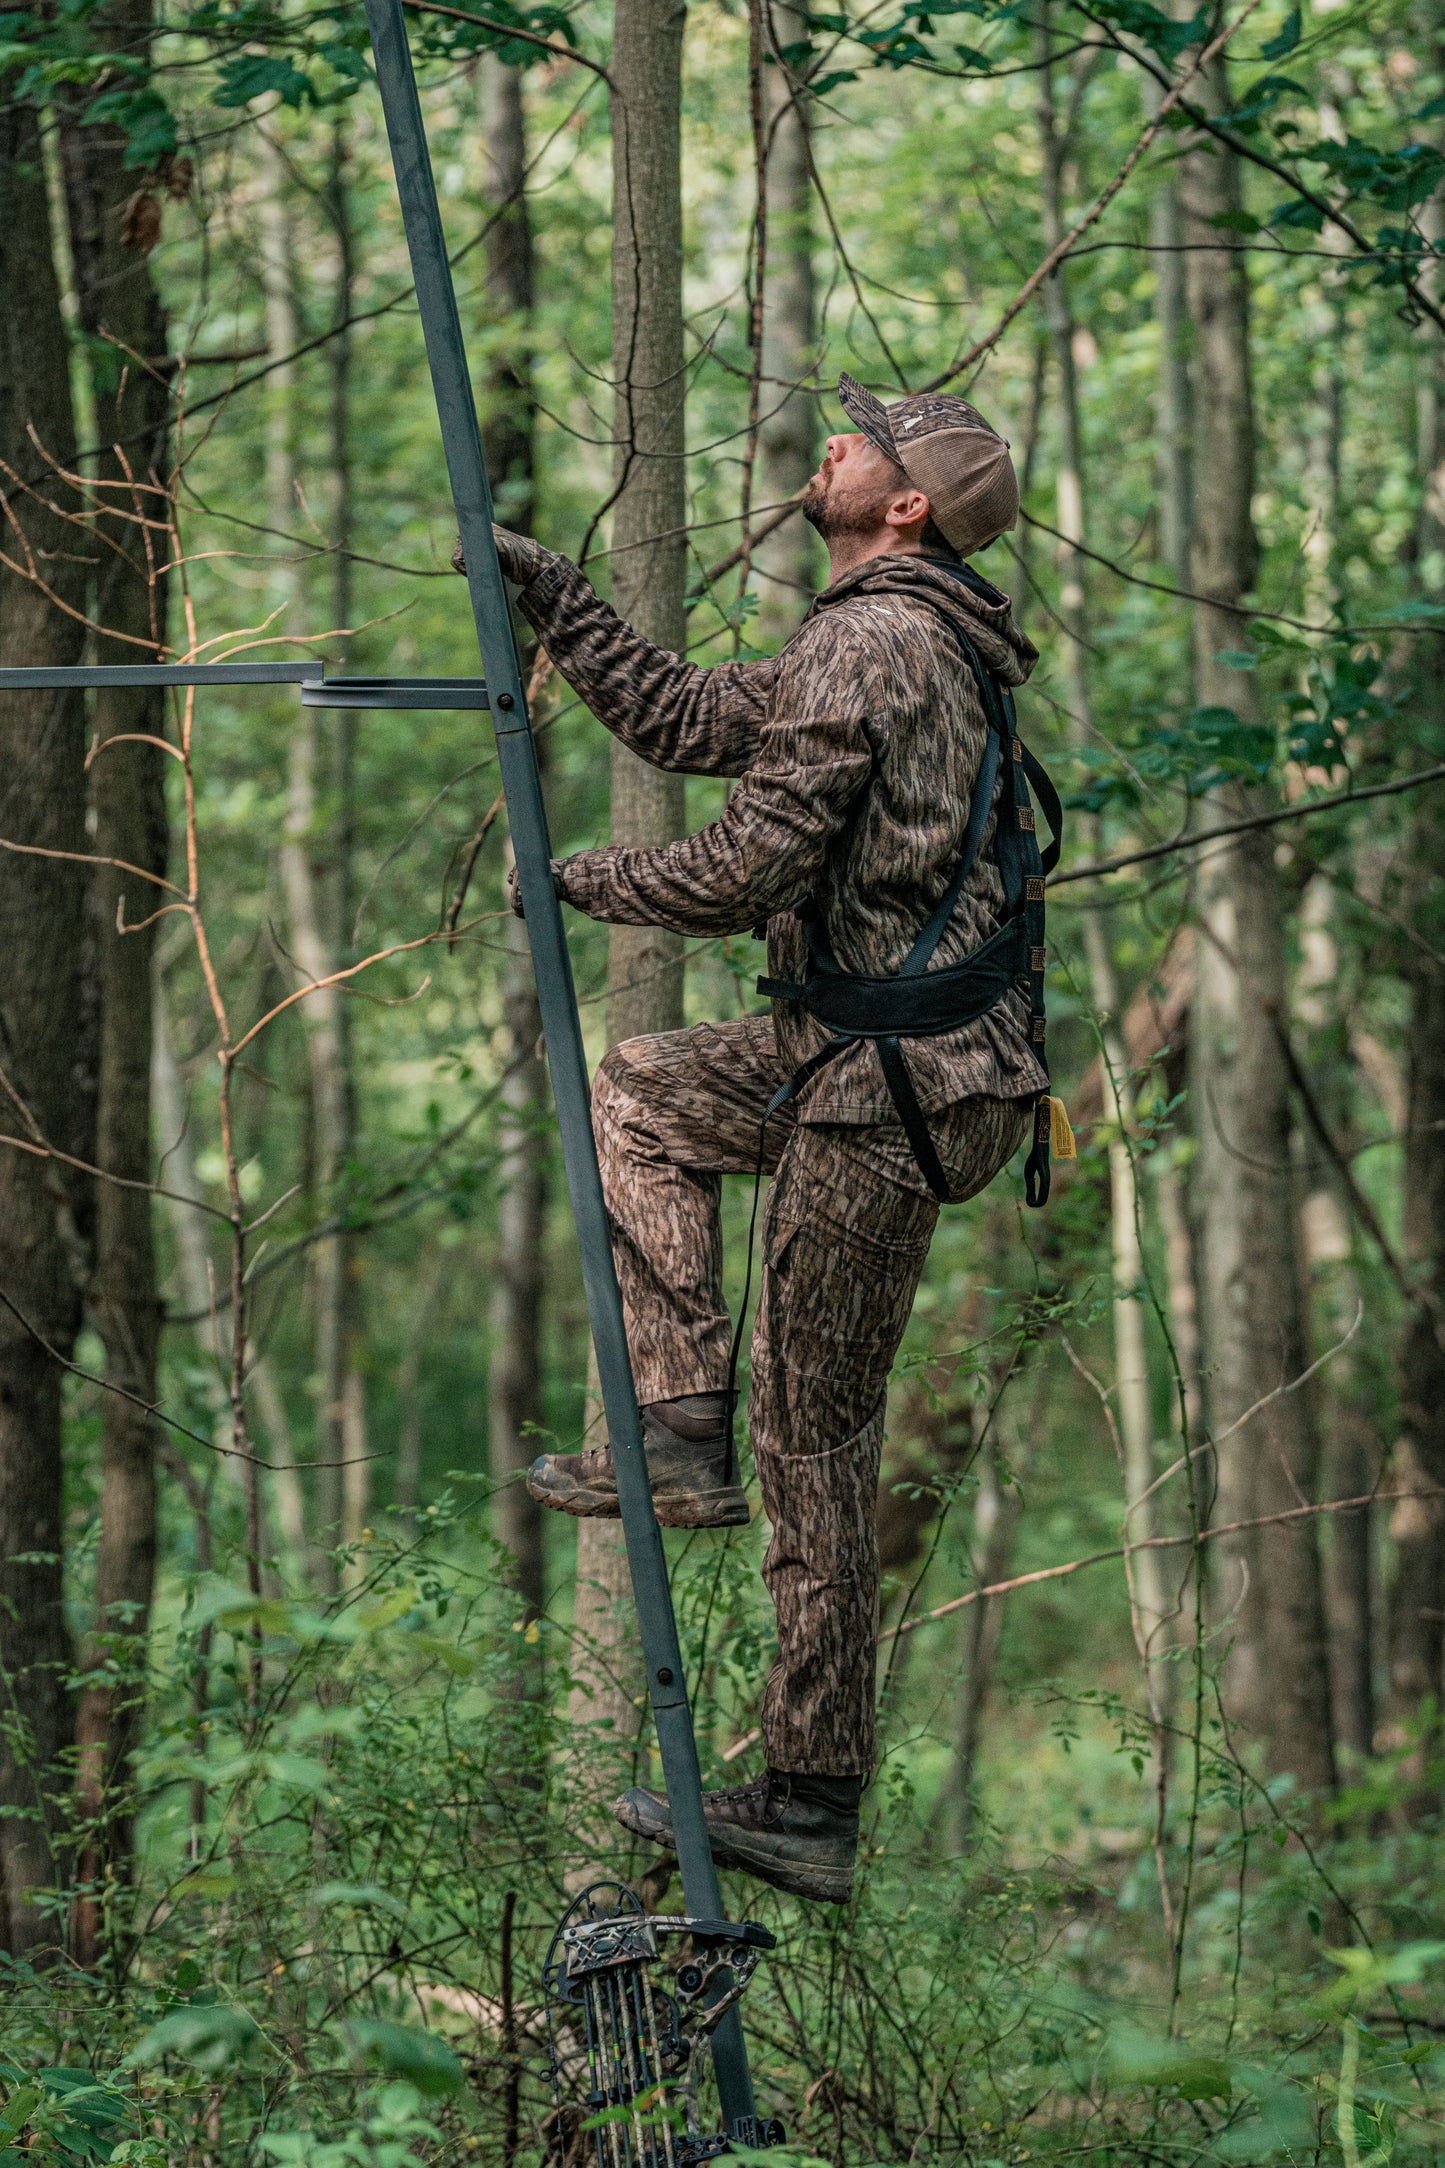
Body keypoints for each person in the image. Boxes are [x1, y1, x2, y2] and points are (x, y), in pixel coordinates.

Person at [463, 374, 1047, 1902]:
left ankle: (807, 1791)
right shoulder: (857, 635)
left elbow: (745, 866)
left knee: (818, 1442)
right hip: (861, 1051)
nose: (833, 446)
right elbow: (681, 718)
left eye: (865, 443)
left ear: (904, 505)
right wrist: (557, 590)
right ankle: (672, 1436)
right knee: (643, 1091)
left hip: (892, 1087)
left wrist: (576, 879)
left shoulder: (874, 636)